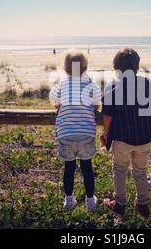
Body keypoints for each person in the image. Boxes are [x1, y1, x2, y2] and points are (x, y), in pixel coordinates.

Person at [100, 48, 151, 218]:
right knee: (140, 170)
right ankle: (143, 204)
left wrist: (106, 134)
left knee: (120, 169)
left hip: (122, 140)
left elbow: (107, 113)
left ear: (116, 68)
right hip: (143, 138)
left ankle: (120, 203)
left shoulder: (112, 87)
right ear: (137, 67)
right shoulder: (145, 83)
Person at [49, 51, 101, 211]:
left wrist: (63, 106)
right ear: (85, 68)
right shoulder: (91, 84)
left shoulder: (62, 84)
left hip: (66, 133)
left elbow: (53, 101)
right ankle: (90, 201)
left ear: (65, 69)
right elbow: (97, 104)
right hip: (86, 132)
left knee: (69, 168)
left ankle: (69, 200)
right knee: (87, 167)